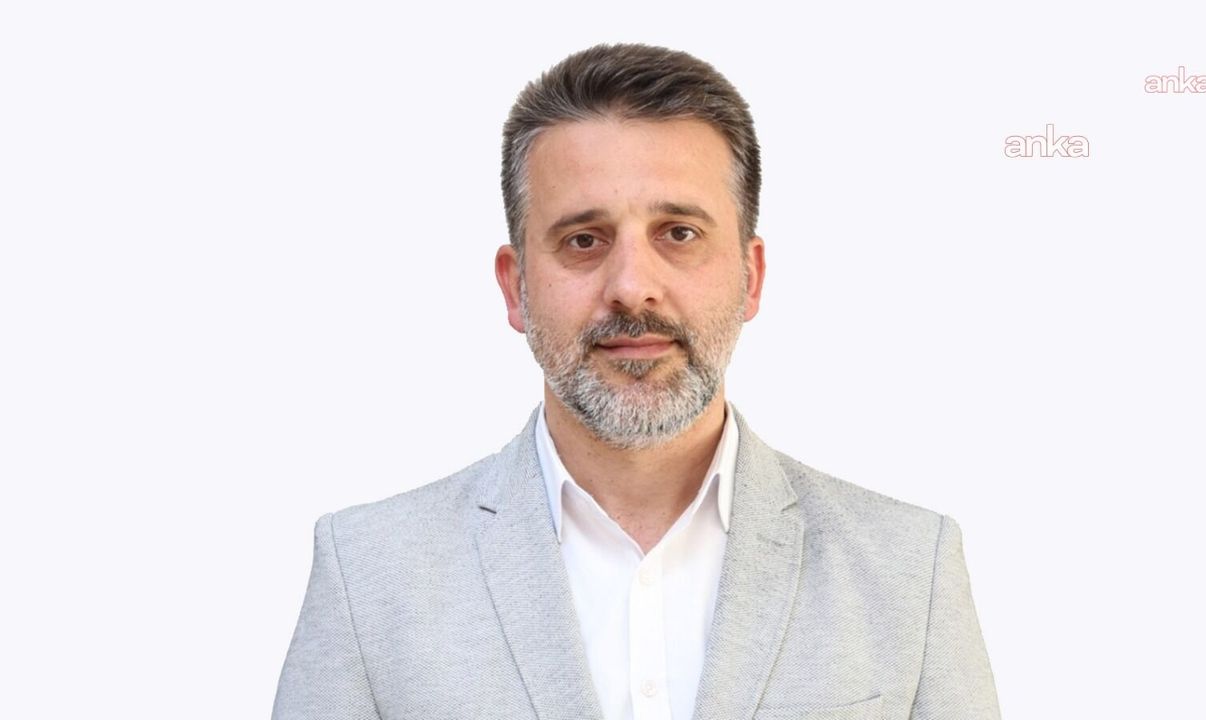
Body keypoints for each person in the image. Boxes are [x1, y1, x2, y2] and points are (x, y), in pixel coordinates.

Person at [271, 43, 1001, 720]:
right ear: (515, 287)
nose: (631, 286)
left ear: (750, 277)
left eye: (679, 233)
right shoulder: (367, 574)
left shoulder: (911, 571)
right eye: (583, 240)